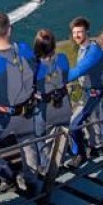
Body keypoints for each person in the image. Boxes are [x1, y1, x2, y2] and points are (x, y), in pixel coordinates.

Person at [0, 12, 40, 193]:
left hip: (5, 117)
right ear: (9, 30)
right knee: (28, 145)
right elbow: (35, 66)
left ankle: (7, 175)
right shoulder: (25, 49)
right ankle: (32, 181)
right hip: (28, 110)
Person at [67, 16, 103, 168]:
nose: (76, 35)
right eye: (74, 32)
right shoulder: (83, 48)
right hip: (88, 91)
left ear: (87, 32)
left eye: (80, 32)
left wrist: (57, 80)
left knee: (74, 124)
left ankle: (81, 155)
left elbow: (80, 70)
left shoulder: (93, 51)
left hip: (94, 93)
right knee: (91, 122)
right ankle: (94, 147)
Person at [32, 28, 73, 173]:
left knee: (40, 140)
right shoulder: (62, 58)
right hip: (63, 105)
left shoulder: (35, 66)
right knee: (62, 136)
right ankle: (59, 163)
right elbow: (66, 77)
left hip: (45, 109)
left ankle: (45, 168)